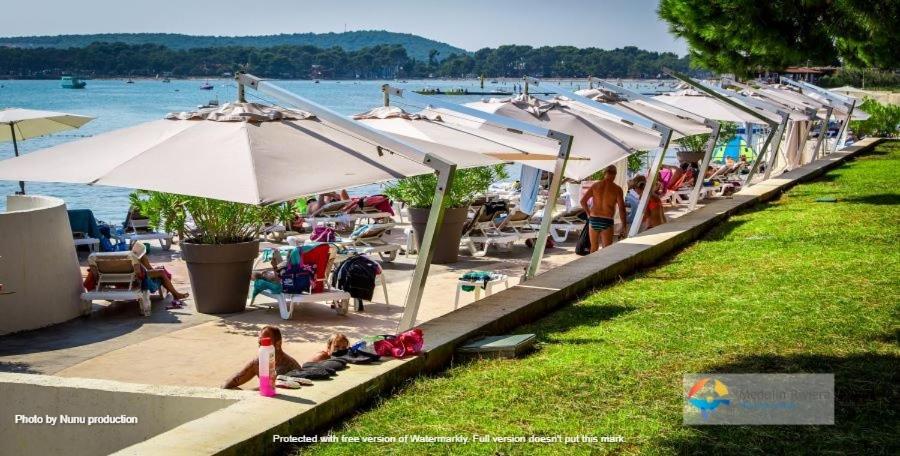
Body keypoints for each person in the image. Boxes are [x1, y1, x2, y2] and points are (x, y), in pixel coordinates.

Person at [223, 326, 302, 389]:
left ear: (278, 344)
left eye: (267, 342)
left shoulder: (288, 367)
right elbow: (232, 382)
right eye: (260, 343)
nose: (262, 347)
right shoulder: (258, 362)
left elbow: (277, 395)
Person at [580, 165, 627, 252]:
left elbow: (583, 201)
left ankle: (592, 265)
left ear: (604, 173)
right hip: (607, 221)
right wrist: (624, 226)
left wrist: (588, 213)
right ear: (615, 174)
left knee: (593, 248)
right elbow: (622, 209)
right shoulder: (617, 189)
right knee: (607, 250)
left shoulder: (595, 186)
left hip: (594, 219)